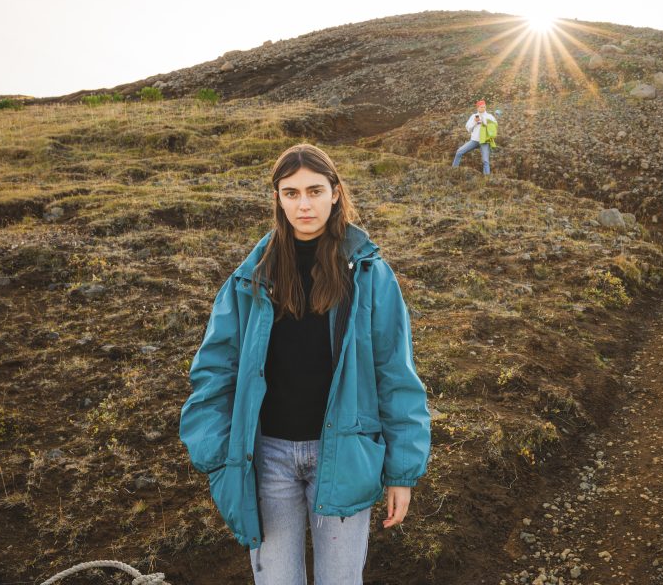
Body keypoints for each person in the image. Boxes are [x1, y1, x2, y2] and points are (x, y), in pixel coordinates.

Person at [179, 143, 431, 585]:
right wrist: (221, 459)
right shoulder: (250, 276)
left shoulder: (369, 275)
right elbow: (213, 372)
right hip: (268, 458)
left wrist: (402, 472)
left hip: (345, 454)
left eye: (314, 190)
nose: (304, 204)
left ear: (335, 193)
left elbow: (396, 374)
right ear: (277, 198)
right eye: (290, 193)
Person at [452, 99, 497, 175]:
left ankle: (487, 179)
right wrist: (475, 122)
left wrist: (485, 122)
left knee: (485, 161)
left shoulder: (490, 116)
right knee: (459, 152)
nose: (483, 108)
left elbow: (495, 126)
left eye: (484, 107)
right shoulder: (473, 116)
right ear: (477, 108)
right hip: (474, 140)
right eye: (481, 107)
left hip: (485, 141)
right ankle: (453, 170)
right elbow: (468, 128)